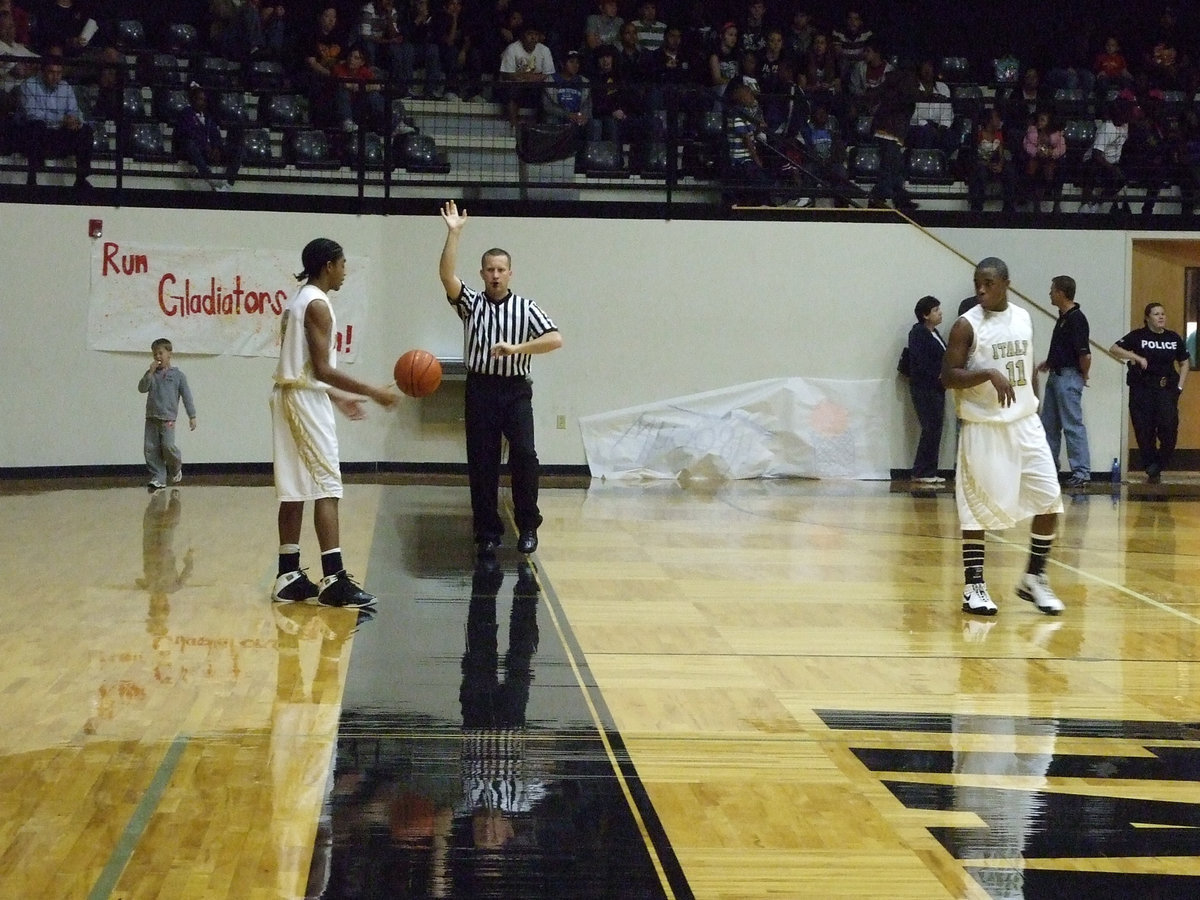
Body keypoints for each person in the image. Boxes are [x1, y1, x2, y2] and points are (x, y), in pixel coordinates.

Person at [270, 238, 399, 607]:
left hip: (295, 393)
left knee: (295, 488)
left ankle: (288, 574)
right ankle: (334, 580)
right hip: (302, 400)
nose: (345, 271)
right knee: (327, 485)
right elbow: (323, 369)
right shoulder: (317, 305)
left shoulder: (300, 298)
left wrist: (338, 396)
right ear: (328, 265)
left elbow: (306, 370)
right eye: (343, 264)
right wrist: (374, 391)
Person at [438, 201, 563, 557]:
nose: (495, 275)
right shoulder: (471, 303)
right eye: (490, 269)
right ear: (481, 274)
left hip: (515, 391)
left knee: (525, 456)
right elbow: (447, 276)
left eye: (501, 269)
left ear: (510, 274)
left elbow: (555, 338)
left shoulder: (526, 307)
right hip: (480, 388)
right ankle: (487, 532)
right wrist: (454, 233)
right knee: (482, 462)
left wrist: (517, 348)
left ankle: (527, 526)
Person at [941, 257, 1065, 617]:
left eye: (988, 283)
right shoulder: (966, 326)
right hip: (984, 426)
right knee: (977, 511)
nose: (981, 289)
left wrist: (1035, 402)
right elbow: (948, 376)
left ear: (1006, 283)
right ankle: (974, 586)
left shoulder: (1024, 317)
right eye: (977, 282)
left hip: (1025, 423)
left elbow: (1027, 365)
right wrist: (986, 374)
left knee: (1050, 500)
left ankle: (1034, 577)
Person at [1110, 302, 1190, 483]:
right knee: (1145, 432)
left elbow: (1184, 362)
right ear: (1147, 318)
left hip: (1166, 390)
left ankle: (1159, 463)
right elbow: (1114, 349)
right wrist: (1136, 357)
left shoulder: (1173, 338)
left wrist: (1180, 386)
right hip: (1142, 391)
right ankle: (1151, 468)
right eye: (1156, 314)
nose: (1161, 317)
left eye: (1163, 313)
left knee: (1169, 430)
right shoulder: (1138, 336)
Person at [1036, 275, 1091, 488]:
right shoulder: (1063, 318)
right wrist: (1050, 362)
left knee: (1072, 425)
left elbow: (1085, 354)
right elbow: (1065, 348)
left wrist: (1083, 375)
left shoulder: (1077, 319)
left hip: (1068, 377)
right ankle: (1049, 468)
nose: (1050, 293)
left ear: (1061, 292)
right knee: (1049, 425)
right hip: (1056, 374)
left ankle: (1082, 472)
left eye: (1052, 290)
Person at [17, 54, 93, 188]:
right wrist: (61, 119)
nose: (55, 76)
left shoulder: (66, 87)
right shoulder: (29, 85)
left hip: (59, 133)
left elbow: (74, 110)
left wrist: (75, 121)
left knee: (86, 130)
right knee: (36, 126)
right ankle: (32, 177)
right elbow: (32, 114)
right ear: (42, 71)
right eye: (51, 72)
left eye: (59, 73)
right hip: (39, 133)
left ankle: (81, 178)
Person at [138, 338, 197, 491]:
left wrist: (192, 416)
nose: (158, 357)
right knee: (150, 449)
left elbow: (187, 397)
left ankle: (176, 468)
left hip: (168, 418)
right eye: (155, 354)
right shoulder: (151, 374)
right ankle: (158, 477)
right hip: (151, 417)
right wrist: (149, 373)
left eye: (161, 353)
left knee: (168, 446)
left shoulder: (178, 376)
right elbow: (142, 388)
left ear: (169, 354)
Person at [907, 295, 947, 483]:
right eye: (936, 310)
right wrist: (937, 375)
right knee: (930, 428)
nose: (940, 313)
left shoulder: (935, 333)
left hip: (937, 388)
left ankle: (929, 470)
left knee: (936, 428)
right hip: (924, 388)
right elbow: (921, 361)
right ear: (925, 315)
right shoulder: (918, 333)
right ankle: (921, 471)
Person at [175, 83, 243, 191]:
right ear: (193, 100)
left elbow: (215, 133)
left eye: (204, 100)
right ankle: (209, 177)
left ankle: (228, 184)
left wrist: (216, 147)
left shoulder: (208, 116)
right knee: (190, 145)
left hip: (209, 150)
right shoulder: (186, 114)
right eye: (200, 99)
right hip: (196, 149)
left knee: (238, 150)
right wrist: (205, 146)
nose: (203, 103)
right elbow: (187, 133)